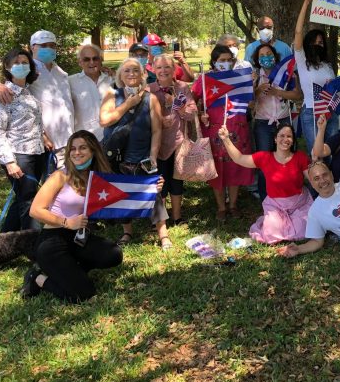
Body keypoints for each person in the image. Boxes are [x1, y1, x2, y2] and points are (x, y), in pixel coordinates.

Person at [22, 131, 135, 302]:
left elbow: (122, 197)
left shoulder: (98, 179)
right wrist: (66, 222)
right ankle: (37, 279)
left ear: (93, 151)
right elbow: (36, 210)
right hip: (52, 240)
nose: (76, 152)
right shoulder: (60, 176)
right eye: (72, 149)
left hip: (78, 237)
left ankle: (71, 271)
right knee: (84, 295)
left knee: (113, 254)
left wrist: (151, 189)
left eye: (83, 148)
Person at [99, 58, 172, 249]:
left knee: (154, 192)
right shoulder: (112, 94)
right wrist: (128, 104)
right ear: (120, 75)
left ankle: (163, 234)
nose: (131, 74)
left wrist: (153, 155)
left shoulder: (152, 98)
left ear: (142, 75)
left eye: (135, 70)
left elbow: (157, 130)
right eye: (126, 71)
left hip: (143, 155)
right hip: (117, 155)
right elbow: (104, 120)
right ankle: (127, 231)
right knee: (121, 193)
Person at [0, 30, 74, 168]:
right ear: (33, 47)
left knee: (68, 184)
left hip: (68, 135)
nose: (49, 48)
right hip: (47, 140)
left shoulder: (60, 71)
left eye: (52, 45)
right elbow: (12, 87)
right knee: (51, 184)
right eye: (44, 45)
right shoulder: (28, 70)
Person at [219, 122, 312, 244]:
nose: (285, 139)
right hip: (276, 205)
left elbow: (312, 178)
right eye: (281, 136)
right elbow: (239, 158)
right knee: (271, 235)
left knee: (303, 232)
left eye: (289, 136)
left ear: (293, 140)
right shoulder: (264, 157)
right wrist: (226, 139)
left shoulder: (300, 157)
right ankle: (275, 221)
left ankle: (292, 221)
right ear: (275, 139)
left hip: (299, 204)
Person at [191, 45, 254, 221]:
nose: (225, 63)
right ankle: (221, 207)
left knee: (235, 166)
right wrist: (199, 112)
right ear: (214, 62)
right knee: (217, 169)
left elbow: (250, 100)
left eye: (228, 60)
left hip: (237, 129)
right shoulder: (205, 79)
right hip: (214, 129)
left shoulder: (239, 78)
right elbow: (191, 99)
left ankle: (233, 205)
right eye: (221, 60)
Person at [0, 48, 48, 232]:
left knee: (24, 196)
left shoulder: (28, 92)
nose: (21, 66)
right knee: (29, 199)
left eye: (25, 62)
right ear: (7, 67)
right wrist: (9, 162)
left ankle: (1, 246)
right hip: (19, 155)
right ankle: (34, 247)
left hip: (37, 152)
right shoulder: (3, 94)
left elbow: (33, 122)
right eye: (16, 63)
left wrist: (44, 137)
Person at [149, 53, 198, 225]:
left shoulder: (182, 87)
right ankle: (160, 220)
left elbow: (192, 113)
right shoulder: (149, 90)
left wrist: (177, 103)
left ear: (174, 69)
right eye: (159, 67)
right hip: (157, 144)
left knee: (177, 180)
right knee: (159, 182)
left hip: (178, 141)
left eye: (167, 67)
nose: (163, 71)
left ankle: (177, 216)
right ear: (153, 69)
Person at [251, 43, 303, 200]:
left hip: (283, 121)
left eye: (269, 53)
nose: (266, 57)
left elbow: (297, 96)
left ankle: (290, 193)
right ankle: (266, 197)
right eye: (262, 55)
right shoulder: (254, 76)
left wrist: (277, 92)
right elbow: (250, 104)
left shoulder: (285, 74)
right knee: (264, 161)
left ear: (275, 56)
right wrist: (257, 90)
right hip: (262, 124)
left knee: (288, 158)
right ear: (257, 59)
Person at [294, 0, 338, 155]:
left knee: (331, 152)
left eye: (320, 42)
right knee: (316, 154)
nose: (317, 45)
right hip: (311, 112)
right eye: (314, 42)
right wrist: (306, 4)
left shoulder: (327, 65)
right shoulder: (302, 60)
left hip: (331, 113)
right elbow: (298, 32)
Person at [69, 44, 115, 141]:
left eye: (95, 58)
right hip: (84, 141)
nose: (92, 62)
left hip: (110, 139)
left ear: (101, 60)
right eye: (86, 59)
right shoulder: (70, 82)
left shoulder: (112, 80)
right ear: (79, 62)